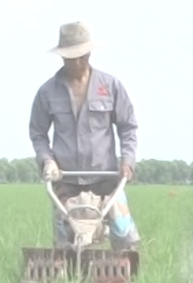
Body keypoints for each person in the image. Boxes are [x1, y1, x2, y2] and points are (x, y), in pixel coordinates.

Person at [28, 21, 141, 252]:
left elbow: (128, 127)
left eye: (82, 56)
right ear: (62, 56)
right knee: (66, 243)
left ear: (89, 53)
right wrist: (47, 161)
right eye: (71, 58)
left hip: (106, 177)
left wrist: (127, 161)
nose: (77, 62)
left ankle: (123, 272)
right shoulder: (47, 92)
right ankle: (67, 273)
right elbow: (38, 133)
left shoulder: (110, 86)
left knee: (123, 234)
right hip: (66, 180)